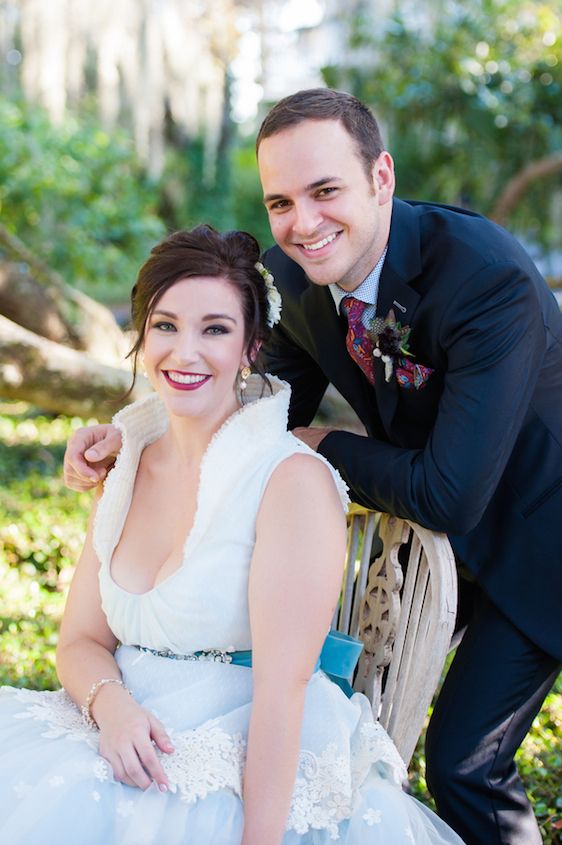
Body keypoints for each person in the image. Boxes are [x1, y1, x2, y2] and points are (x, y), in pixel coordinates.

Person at [64, 90, 562, 845]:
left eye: (325, 190)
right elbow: (250, 399)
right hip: (433, 518)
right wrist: (135, 433)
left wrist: (320, 444)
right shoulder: (291, 278)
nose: (303, 223)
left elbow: (448, 493)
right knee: (364, 714)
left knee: (464, 758)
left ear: (381, 177)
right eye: (281, 201)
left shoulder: (486, 280)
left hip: (542, 531)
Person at [0, 225, 466, 845]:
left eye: (214, 329)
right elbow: (81, 640)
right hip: (117, 725)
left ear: (251, 347)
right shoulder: (126, 460)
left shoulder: (289, 483)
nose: (184, 352)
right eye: (165, 326)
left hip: (241, 754)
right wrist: (111, 707)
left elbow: (282, 695)